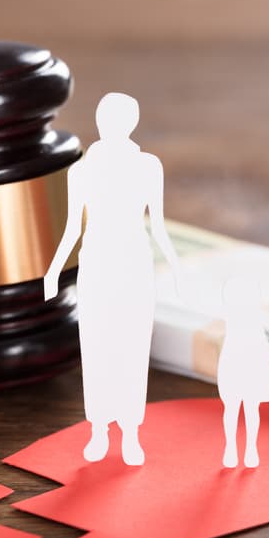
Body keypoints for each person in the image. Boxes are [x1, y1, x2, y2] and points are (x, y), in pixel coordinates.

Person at [44, 93, 183, 465]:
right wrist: (55, 270)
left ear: (131, 122)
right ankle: (99, 430)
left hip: (135, 261)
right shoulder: (82, 171)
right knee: (96, 345)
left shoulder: (148, 166)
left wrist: (176, 267)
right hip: (97, 261)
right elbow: (72, 228)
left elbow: (158, 225)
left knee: (134, 347)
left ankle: (132, 432)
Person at [216, 276, 269, 468]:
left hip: (252, 363)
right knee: (233, 407)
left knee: (250, 408)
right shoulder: (230, 314)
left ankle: (251, 448)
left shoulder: (258, 315)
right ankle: (231, 448)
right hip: (233, 364)